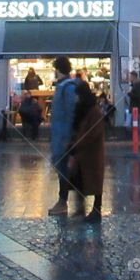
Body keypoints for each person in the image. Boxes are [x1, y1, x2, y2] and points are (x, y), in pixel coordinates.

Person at [69, 79, 106, 222]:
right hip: (82, 152)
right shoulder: (81, 108)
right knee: (80, 180)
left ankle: (96, 210)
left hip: (92, 152)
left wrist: (78, 143)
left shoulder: (93, 110)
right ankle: (81, 209)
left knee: (94, 182)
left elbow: (93, 132)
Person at [47, 56, 78, 216]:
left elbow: (70, 113)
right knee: (62, 168)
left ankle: (63, 201)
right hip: (59, 135)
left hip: (63, 136)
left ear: (58, 69)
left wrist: (68, 138)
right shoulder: (63, 86)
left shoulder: (67, 87)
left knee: (64, 169)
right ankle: (64, 201)